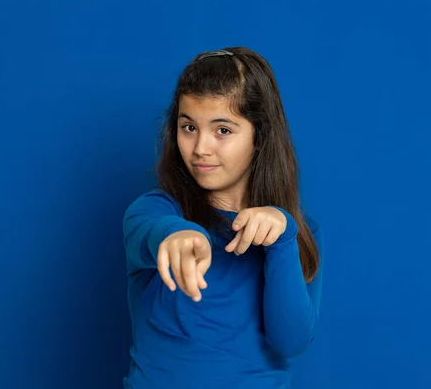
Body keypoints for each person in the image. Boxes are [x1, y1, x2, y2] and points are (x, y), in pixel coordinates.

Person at [122, 47, 324, 388]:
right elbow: (151, 230)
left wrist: (284, 239)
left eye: (223, 130)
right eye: (188, 127)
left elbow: (291, 341)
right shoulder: (155, 210)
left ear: (259, 137)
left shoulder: (300, 232)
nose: (200, 147)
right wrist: (176, 234)